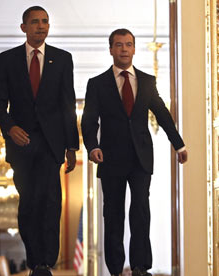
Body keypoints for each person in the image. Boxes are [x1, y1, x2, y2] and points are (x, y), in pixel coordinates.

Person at [81, 28, 188, 276]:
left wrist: (178, 144)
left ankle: (140, 267)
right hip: (110, 158)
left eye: (128, 44)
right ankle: (116, 269)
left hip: (140, 158)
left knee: (140, 210)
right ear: (111, 50)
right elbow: (89, 120)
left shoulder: (148, 81)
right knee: (114, 214)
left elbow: (162, 115)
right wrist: (92, 146)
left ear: (134, 49)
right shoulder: (97, 84)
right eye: (119, 45)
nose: (124, 49)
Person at [0, 6, 79, 276]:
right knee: (29, 201)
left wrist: (72, 146)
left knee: (50, 200)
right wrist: (9, 127)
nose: (41, 26)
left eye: (45, 22)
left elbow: (67, 104)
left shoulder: (63, 59)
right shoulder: (7, 59)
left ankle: (44, 263)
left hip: (52, 143)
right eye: (35, 22)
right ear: (23, 28)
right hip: (23, 142)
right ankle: (34, 259)